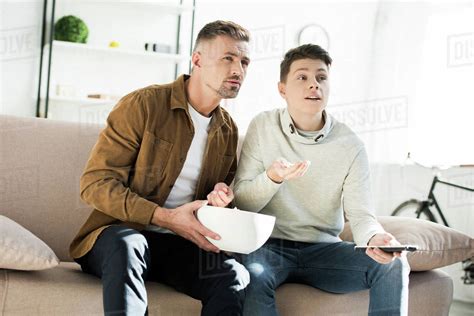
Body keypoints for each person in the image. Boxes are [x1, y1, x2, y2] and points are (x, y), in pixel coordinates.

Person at [70, 20, 251, 316]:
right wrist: (164, 217)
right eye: (228, 58)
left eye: (244, 61)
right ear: (197, 60)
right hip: (118, 237)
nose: (238, 70)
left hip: (177, 248)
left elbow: (214, 203)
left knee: (233, 277)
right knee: (127, 245)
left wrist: (221, 202)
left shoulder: (227, 130)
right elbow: (95, 184)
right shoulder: (144, 105)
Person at [233, 44, 410, 316]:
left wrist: (375, 237)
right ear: (282, 89)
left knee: (393, 264)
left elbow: (361, 215)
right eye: (302, 77)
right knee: (251, 274)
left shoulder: (351, 145)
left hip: (325, 251)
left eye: (321, 78)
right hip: (268, 247)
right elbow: (243, 203)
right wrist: (272, 178)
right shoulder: (262, 126)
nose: (313, 85)